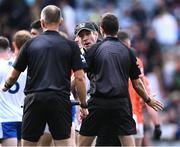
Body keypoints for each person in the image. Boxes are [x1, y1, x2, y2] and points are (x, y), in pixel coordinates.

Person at [1, 5, 88, 146]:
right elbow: (79, 78)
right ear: (60, 21)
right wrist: (83, 104)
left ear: (41, 23)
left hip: (34, 99)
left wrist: (6, 87)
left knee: (29, 144)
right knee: (63, 144)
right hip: (59, 99)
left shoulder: (30, 44)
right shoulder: (71, 46)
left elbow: (13, 75)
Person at [78, 13, 164, 146]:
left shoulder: (93, 50)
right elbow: (137, 83)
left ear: (101, 29)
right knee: (128, 143)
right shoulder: (128, 52)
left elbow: (80, 77)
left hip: (98, 103)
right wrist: (148, 99)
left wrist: (82, 104)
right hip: (121, 104)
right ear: (117, 30)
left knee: (82, 144)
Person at [0, 31, 31, 146]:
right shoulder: (31, 67)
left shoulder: (2, 65)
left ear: (14, 45)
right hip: (24, 117)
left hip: (6, 118)